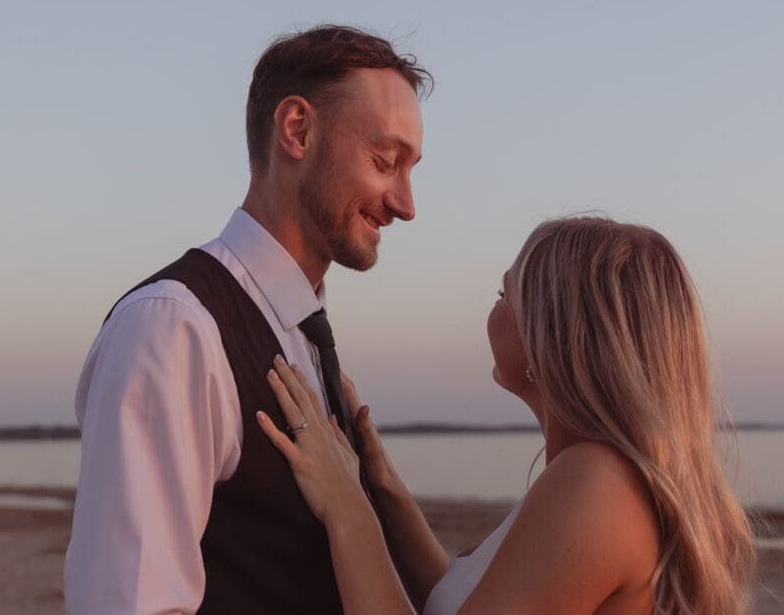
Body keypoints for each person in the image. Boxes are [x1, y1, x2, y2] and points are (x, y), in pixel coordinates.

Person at [64, 25, 432, 614]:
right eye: (385, 161)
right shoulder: (174, 329)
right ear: (297, 130)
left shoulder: (305, 337)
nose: (406, 205)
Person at [258, 216, 756, 614]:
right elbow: (460, 600)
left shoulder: (598, 484)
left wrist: (345, 507)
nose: (493, 310)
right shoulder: (597, 475)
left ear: (556, 336)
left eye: (504, 295)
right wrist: (379, 484)